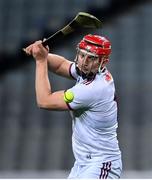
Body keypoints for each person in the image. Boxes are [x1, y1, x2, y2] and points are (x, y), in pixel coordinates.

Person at [24, 34, 122, 179]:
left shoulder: (94, 88)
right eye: (82, 55)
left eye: (92, 58)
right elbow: (61, 65)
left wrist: (40, 60)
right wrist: (42, 53)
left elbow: (44, 101)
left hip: (101, 163)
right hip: (83, 164)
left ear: (104, 61)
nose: (84, 62)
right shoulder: (89, 73)